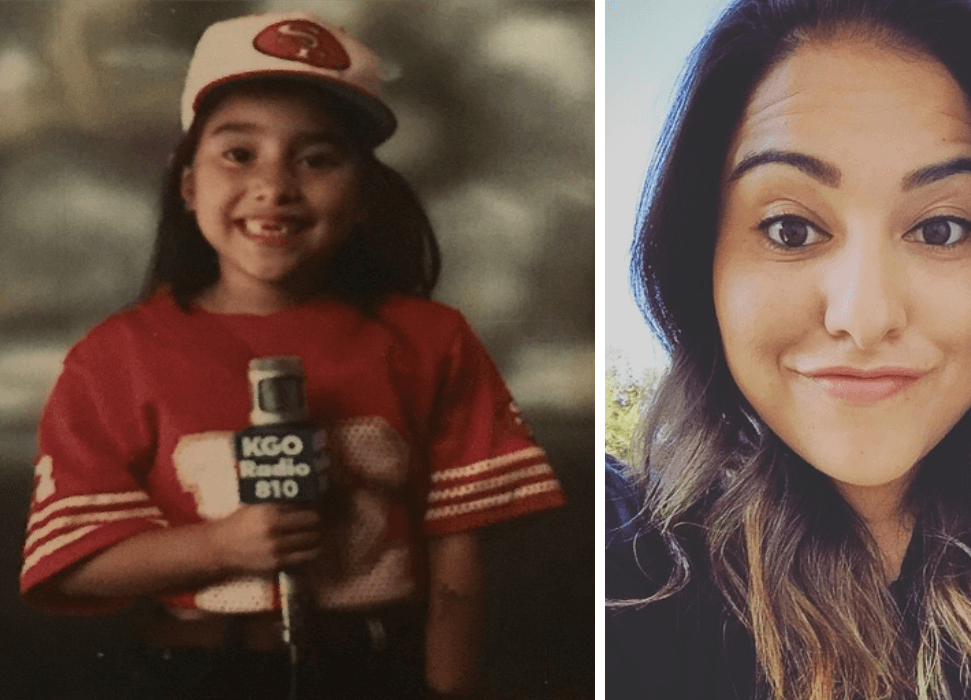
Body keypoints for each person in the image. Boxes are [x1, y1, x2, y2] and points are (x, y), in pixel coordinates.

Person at [605, 0, 971, 699]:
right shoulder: (634, 562)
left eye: (940, 229)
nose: (865, 317)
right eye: (791, 229)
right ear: (700, 260)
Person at [20, 11, 566, 700]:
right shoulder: (115, 356)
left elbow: (456, 549)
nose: (274, 185)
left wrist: (448, 687)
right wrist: (221, 547)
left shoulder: (431, 340)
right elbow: (73, 564)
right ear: (187, 183)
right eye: (238, 153)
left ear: (364, 195)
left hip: (377, 670)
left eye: (317, 159)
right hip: (196, 672)